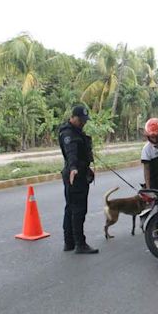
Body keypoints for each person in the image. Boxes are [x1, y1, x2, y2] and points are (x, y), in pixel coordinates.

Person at [58, 106, 99, 254]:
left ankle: (69, 242)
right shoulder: (68, 134)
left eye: (84, 120)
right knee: (78, 210)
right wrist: (74, 167)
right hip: (74, 175)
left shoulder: (74, 131)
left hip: (77, 173)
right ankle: (80, 244)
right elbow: (71, 152)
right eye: (81, 120)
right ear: (73, 117)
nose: (83, 123)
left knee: (70, 208)